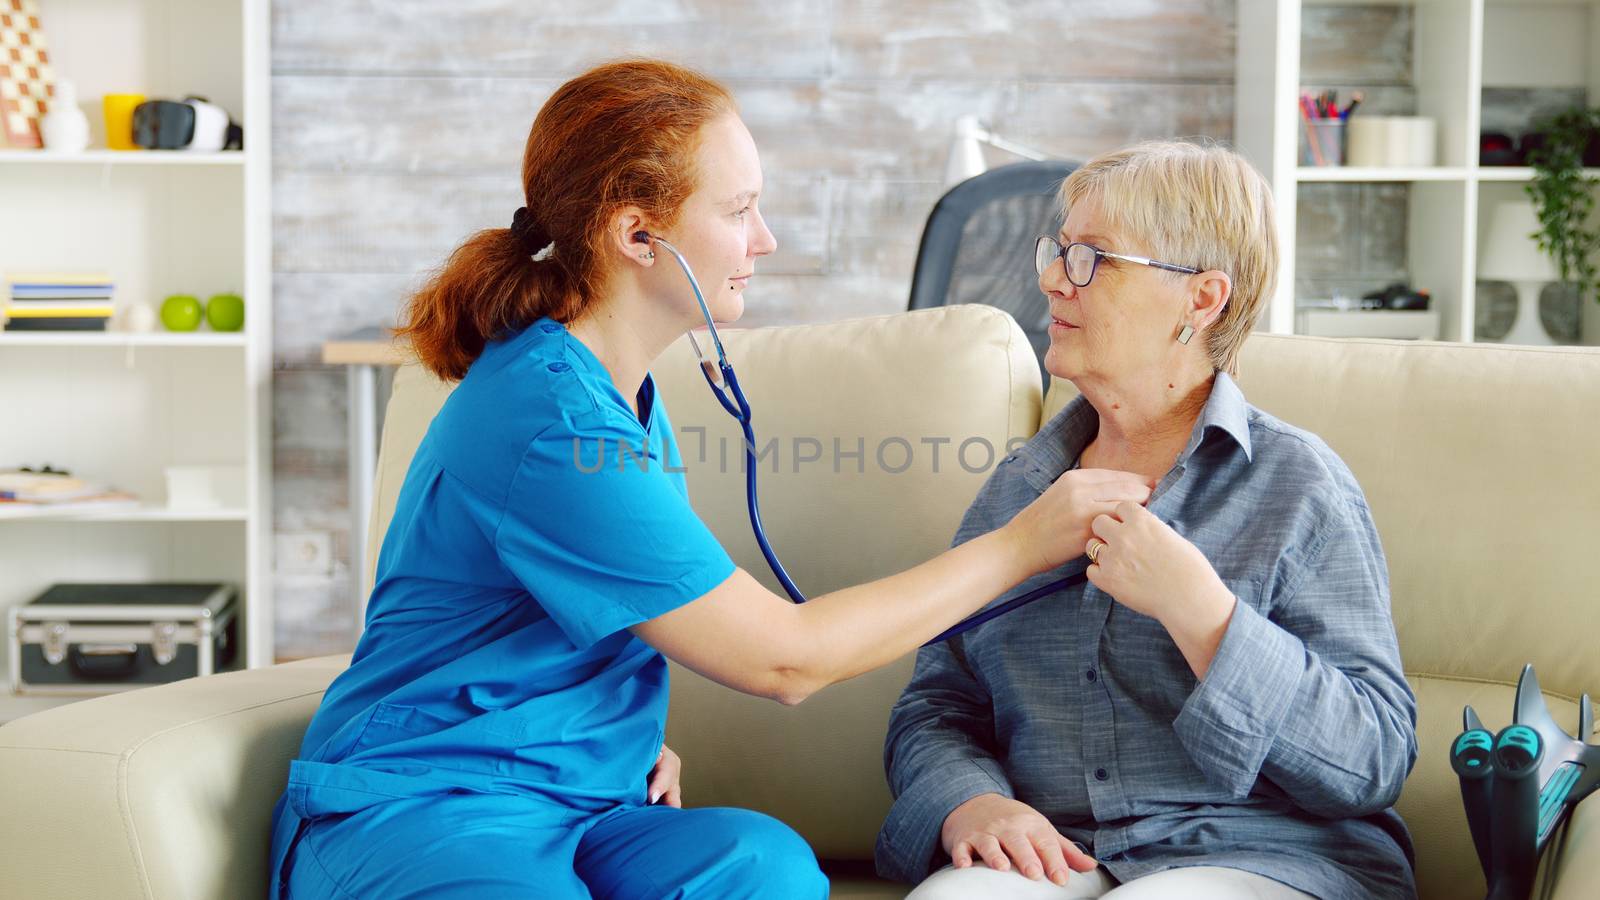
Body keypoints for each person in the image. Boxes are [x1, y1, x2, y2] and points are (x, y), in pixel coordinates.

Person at [268, 59, 1156, 900]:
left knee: (760, 866)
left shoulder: (621, 396)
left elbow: (598, 619)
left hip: (583, 803)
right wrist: (1023, 545)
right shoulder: (550, 422)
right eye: (739, 210)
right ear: (637, 234)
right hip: (431, 802)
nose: (764, 241)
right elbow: (785, 658)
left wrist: (621, 742)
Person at [876, 141, 1419, 900]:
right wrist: (972, 801)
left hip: (1263, 855)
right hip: (1058, 856)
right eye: (1060, 252)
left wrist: (1204, 615)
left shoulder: (1299, 484)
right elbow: (938, 705)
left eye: (1092, 258)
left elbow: (1374, 758)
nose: (1050, 281)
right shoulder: (1019, 494)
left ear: (1201, 300)